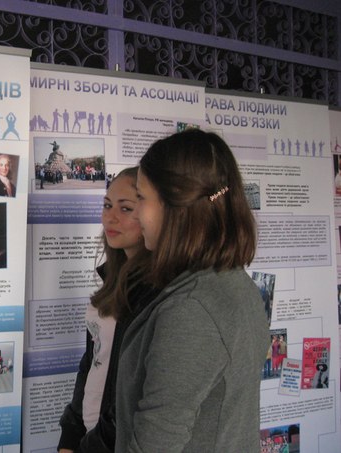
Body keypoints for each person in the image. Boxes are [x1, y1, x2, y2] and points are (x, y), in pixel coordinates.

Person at [115, 129, 270, 452]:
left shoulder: (192, 310)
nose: (137, 213)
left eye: (142, 198)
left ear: (175, 207)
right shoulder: (232, 283)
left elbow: (155, 442)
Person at [58, 167, 156, 453]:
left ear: (152, 214)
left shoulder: (157, 292)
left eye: (125, 208)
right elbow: (93, 360)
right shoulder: (113, 279)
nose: (110, 217)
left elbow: (138, 394)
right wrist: (71, 434)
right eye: (107, 205)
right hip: (88, 436)